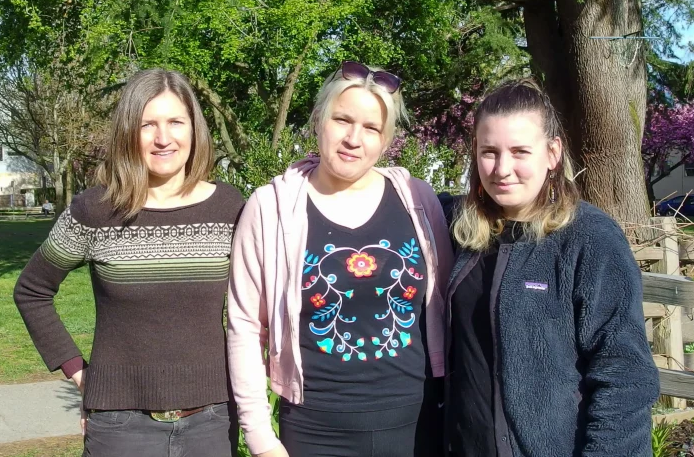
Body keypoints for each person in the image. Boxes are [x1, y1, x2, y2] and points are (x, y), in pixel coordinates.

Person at [227, 61, 454, 457]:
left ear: (386, 140)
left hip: (415, 424)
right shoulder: (270, 208)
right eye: (342, 120)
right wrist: (260, 438)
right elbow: (245, 326)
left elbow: (447, 306)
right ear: (318, 120)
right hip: (315, 429)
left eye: (371, 128)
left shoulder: (419, 201)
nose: (353, 138)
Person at [14, 68, 244, 456]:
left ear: (195, 129)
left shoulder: (229, 207)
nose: (163, 138)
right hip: (119, 427)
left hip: (212, 421)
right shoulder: (96, 210)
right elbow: (32, 290)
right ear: (128, 133)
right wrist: (77, 371)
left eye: (175, 122)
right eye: (147, 125)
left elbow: (260, 303)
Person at [441, 79, 659, 456]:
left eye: (520, 151)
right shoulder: (460, 229)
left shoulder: (589, 238)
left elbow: (624, 374)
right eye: (489, 152)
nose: (502, 168)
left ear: (552, 153)